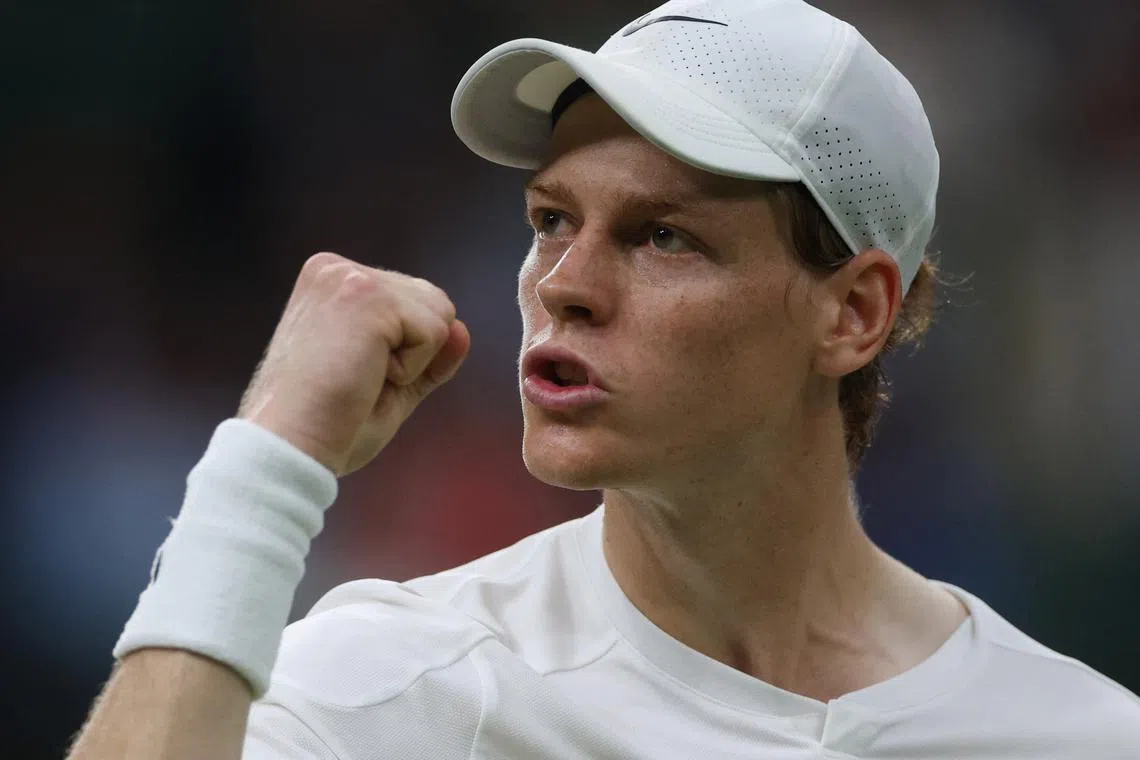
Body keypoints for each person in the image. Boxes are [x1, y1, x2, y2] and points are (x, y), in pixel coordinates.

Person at [68, 1, 1140, 758]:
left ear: (851, 312)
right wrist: (267, 459)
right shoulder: (401, 680)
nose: (562, 285)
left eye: (664, 235)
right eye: (550, 221)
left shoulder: (1081, 735)